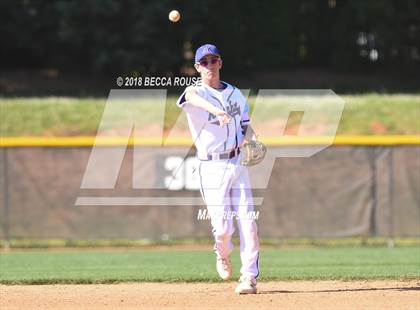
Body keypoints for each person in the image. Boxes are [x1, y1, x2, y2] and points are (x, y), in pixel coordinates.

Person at [176, 44, 260, 294]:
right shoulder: (195, 91)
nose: (209, 66)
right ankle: (222, 252)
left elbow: (245, 124)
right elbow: (189, 98)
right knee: (223, 229)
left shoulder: (235, 93)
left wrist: (252, 139)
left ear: (220, 63)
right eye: (204, 62)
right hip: (211, 167)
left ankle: (249, 278)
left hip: (237, 163)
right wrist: (217, 111)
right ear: (197, 67)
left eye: (213, 61)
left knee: (249, 222)